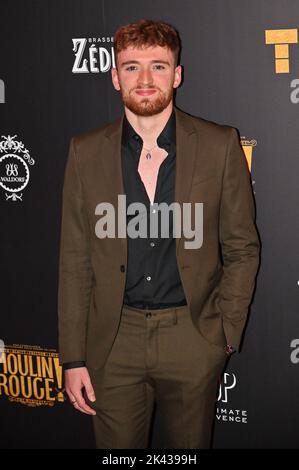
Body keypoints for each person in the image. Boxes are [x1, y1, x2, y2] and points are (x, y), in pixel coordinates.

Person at [58, 19, 260, 449]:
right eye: (131, 67)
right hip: (114, 343)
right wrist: (74, 357)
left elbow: (242, 247)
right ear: (115, 77)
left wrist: (224, 331)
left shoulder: (219, 145)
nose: (145, 79)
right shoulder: (85, 151)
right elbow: (75, 261)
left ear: (177, 74)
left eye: (158, 66)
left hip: (192, 336)